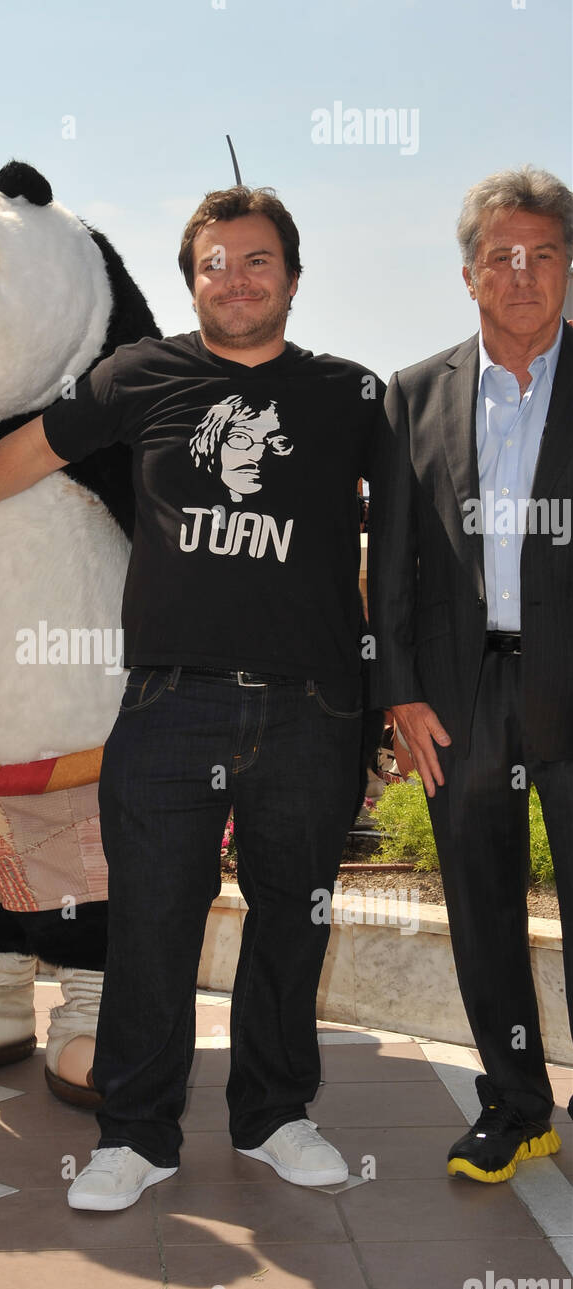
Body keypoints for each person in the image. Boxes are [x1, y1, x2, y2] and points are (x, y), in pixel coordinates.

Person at [0, 186, 384, 1208]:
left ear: (289, 274)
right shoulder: (140, 375)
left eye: (253, 261)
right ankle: (136, 1135)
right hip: (168, 706)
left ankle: (275, 1115)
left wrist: (392, 690)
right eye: (211, 263)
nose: (232, 279)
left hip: (310, 709)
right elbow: (36, 447)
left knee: (292, 921)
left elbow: (412, 533)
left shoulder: (350, 394)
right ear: (189, 277)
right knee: (148, 921)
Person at [368, 166, 573, 1182]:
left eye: (542, 254)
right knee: (481, 909)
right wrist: (399, 692)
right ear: (467, 275)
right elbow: (392, 562)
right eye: (502, 256)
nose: (522, 274)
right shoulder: (410, 395)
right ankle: (515, 1105)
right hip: (458, 697)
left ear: (567, 268)